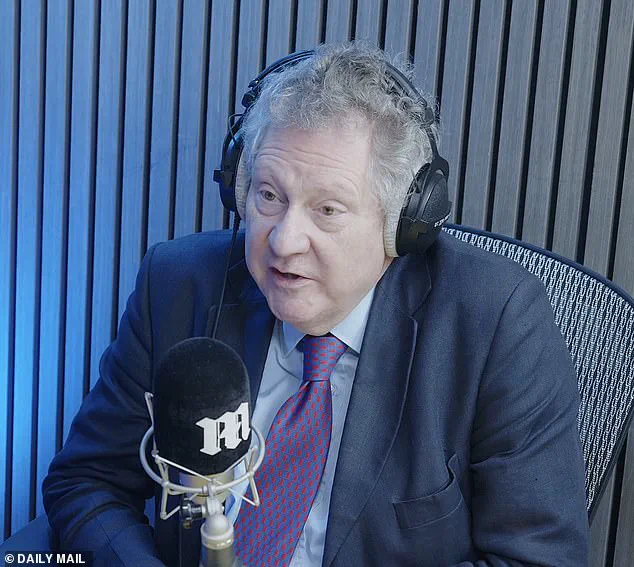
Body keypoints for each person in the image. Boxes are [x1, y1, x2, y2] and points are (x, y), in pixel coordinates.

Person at [43, 42, 589, 566]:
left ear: (402, 222)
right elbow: (87, 481)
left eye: (327, 209)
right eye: (269, 196)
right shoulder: (178, 285)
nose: (284, 242)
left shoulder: (496, 323)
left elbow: (537, 559)